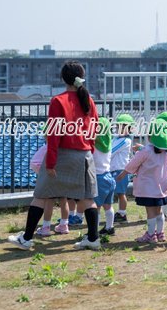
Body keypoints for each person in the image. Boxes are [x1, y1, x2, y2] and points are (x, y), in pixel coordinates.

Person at [8, 61, 101, 251]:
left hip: (62, 156)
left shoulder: (58, 101)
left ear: (63, 78)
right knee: (87, 199)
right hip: (84, 156)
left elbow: (53, 136)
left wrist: (50, 163)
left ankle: (26, 239)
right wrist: (88, 149)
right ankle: (93, 238)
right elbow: (95, 128)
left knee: (41, 195)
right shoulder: (88, 100)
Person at [117, 119, 167, 243]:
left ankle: (150, 235)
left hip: (148, 189)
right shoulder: (163, 152)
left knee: (150, 212)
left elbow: (134, 162)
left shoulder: (146, 151)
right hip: (160, 188)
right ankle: (160, 233)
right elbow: (149, 151)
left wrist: (124, 173)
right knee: (159, 211)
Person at [110, 114, 134, 223]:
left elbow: (111, 151)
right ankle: (118, 213)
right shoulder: (116, 138)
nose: (120, 128)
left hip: (121, 170)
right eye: (118, 126)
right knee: (116, 193)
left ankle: (122, 214)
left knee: (121, 193)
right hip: (113, 169)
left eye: (123, 126)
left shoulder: (125, 140)